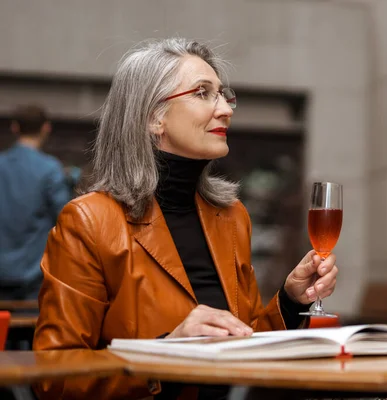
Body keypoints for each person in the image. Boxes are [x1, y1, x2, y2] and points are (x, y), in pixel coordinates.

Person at [32, 38, 339, 400]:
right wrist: (166, 353)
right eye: (203, 93)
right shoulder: (88, 222)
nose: (225, 108)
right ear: (153, 117)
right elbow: (53, 378)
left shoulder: (231, 217)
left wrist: (290, 301)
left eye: (224, 95)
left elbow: (243, 340)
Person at [0, 105, 70, 301]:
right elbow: (66, 220)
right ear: (46, 128)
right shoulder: (50, 170)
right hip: (33, 279)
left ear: (15, 128)